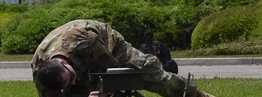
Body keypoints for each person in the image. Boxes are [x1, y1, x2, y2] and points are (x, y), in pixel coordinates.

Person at [31, 19, 216, 97]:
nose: (72, 83)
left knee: (150, 75)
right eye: (65, 85)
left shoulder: (82, 42)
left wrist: (102, 91)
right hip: (80, 58)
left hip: (106, 45)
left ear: (63, 63)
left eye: (70, 79)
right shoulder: (43, 75)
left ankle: (196, 94)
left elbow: (114, 72)